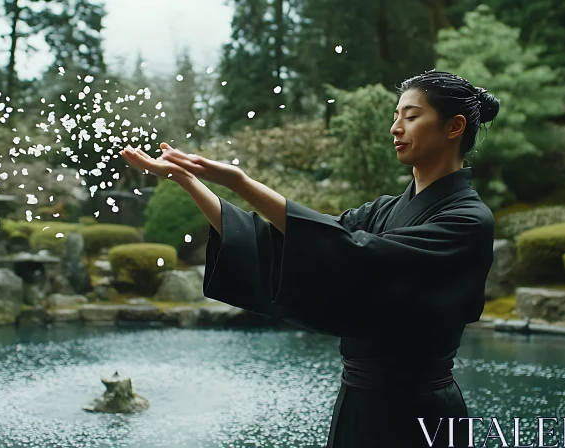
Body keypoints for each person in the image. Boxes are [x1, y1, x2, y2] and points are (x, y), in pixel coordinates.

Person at [120, 69, 499, 447]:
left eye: (411, 116)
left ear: (454, 127)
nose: (395, 128)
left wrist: (241, 182)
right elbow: (297, 238)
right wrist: (189, 182)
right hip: (357, 402)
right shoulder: (384, 210)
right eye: (395, 116)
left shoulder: (467, 221)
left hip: (420, 413)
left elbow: (353, 254)